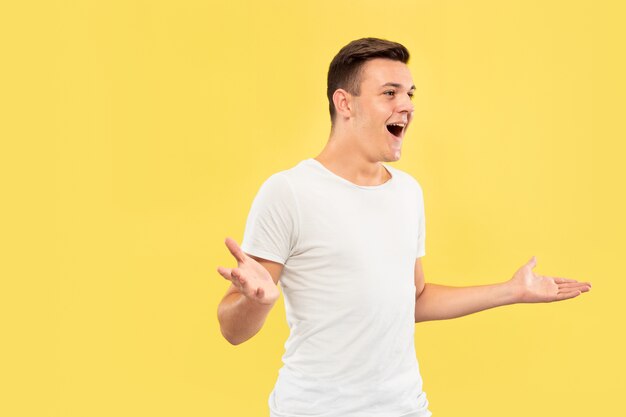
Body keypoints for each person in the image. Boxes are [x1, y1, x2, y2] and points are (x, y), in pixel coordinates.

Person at [216, 37, 592, 417]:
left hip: (405, 407)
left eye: (410, 93)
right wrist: (256, 301)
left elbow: (413, 298)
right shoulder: (289, 192)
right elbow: (233, 331)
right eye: (390, 93)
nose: (407, 106)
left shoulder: (407, 193)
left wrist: (512, 291)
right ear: (344, 103)